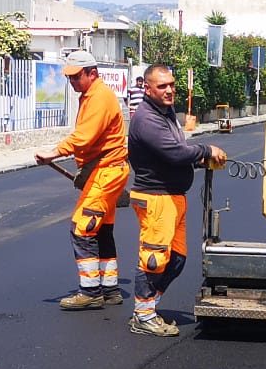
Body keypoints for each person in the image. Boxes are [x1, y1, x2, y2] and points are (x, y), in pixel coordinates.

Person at [125, 62, 226, 337]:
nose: (169, 90)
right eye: (162, 86)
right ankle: (143, 316)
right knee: (154, 259)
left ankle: (148, 307)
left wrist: (197, 160)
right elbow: (174, 153)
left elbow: (173, 153)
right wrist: (206, 149)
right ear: (147, 89)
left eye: (171, 84)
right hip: (155, 198)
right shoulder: (146, 118)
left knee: (177, 259)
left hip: (172, 197)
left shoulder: (165, 111)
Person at [35, 49, 128, 309]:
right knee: (102, 229)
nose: (72, 82)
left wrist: (54, 152)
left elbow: (84, 136)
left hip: (106, 173)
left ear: (92, 73)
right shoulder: (90, 95)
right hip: (105, 170)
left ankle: (90, 292)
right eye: (69, 77)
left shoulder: (99, 97)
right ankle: (109, 289)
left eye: (76, 77)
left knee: (82, 228)